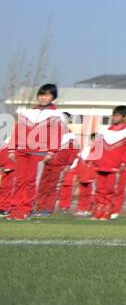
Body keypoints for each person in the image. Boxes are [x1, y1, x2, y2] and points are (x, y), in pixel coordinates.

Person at [5, 83, 70, 221]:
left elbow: (56, 134)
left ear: (53, 97)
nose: (43, 98)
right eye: (41, 94)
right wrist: (11, 148)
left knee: (31, 182)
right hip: (21, 150)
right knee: (19, 181)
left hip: (39, 153)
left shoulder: (56, 115)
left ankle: (25, 210)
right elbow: (17, 131)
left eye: (46, 95)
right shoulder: (27, 113)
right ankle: (14, 210)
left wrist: (51, 152)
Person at [92, 107, 126, 220]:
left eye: (118, 115)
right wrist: (93, 159)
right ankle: (97, 212)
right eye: (114, 115)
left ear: (125, 118)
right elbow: (97, 146)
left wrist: (124, 161)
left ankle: (106, 213)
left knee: (110, 190)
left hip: (114, 166)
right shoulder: (105, 130)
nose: (114, 117)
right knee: (99, 190)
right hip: (101, 165)